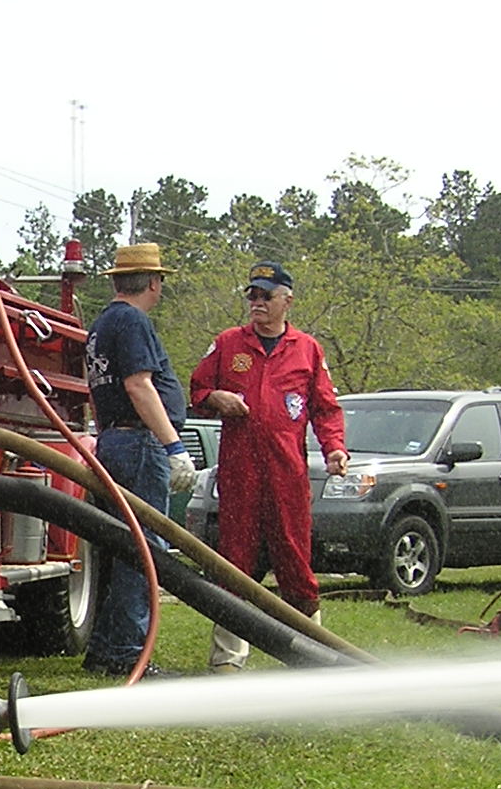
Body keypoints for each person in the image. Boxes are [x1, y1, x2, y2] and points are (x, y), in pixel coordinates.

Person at [191, 261, 349, 670]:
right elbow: (197, 387)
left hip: (287, 473)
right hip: (240, 471)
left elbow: (325, 408)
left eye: (266, 296)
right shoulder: (228, 344)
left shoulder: (307, 349)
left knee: (294, 558)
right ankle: (228, 658)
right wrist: (216, 399)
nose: (257, 303)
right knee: (235, 560)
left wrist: (334, 448)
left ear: (287, 301)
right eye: (253, 296)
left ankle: (312, 653)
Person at [80, 242, 195, 678]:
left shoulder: (103, 324)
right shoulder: (133, 321)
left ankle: (105, 649)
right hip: (139, 443)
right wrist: (173, 446)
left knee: (120, 548)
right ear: (153, 282)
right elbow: (139, 385)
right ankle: (128, 653)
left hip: (113, 440)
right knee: (144, 551)